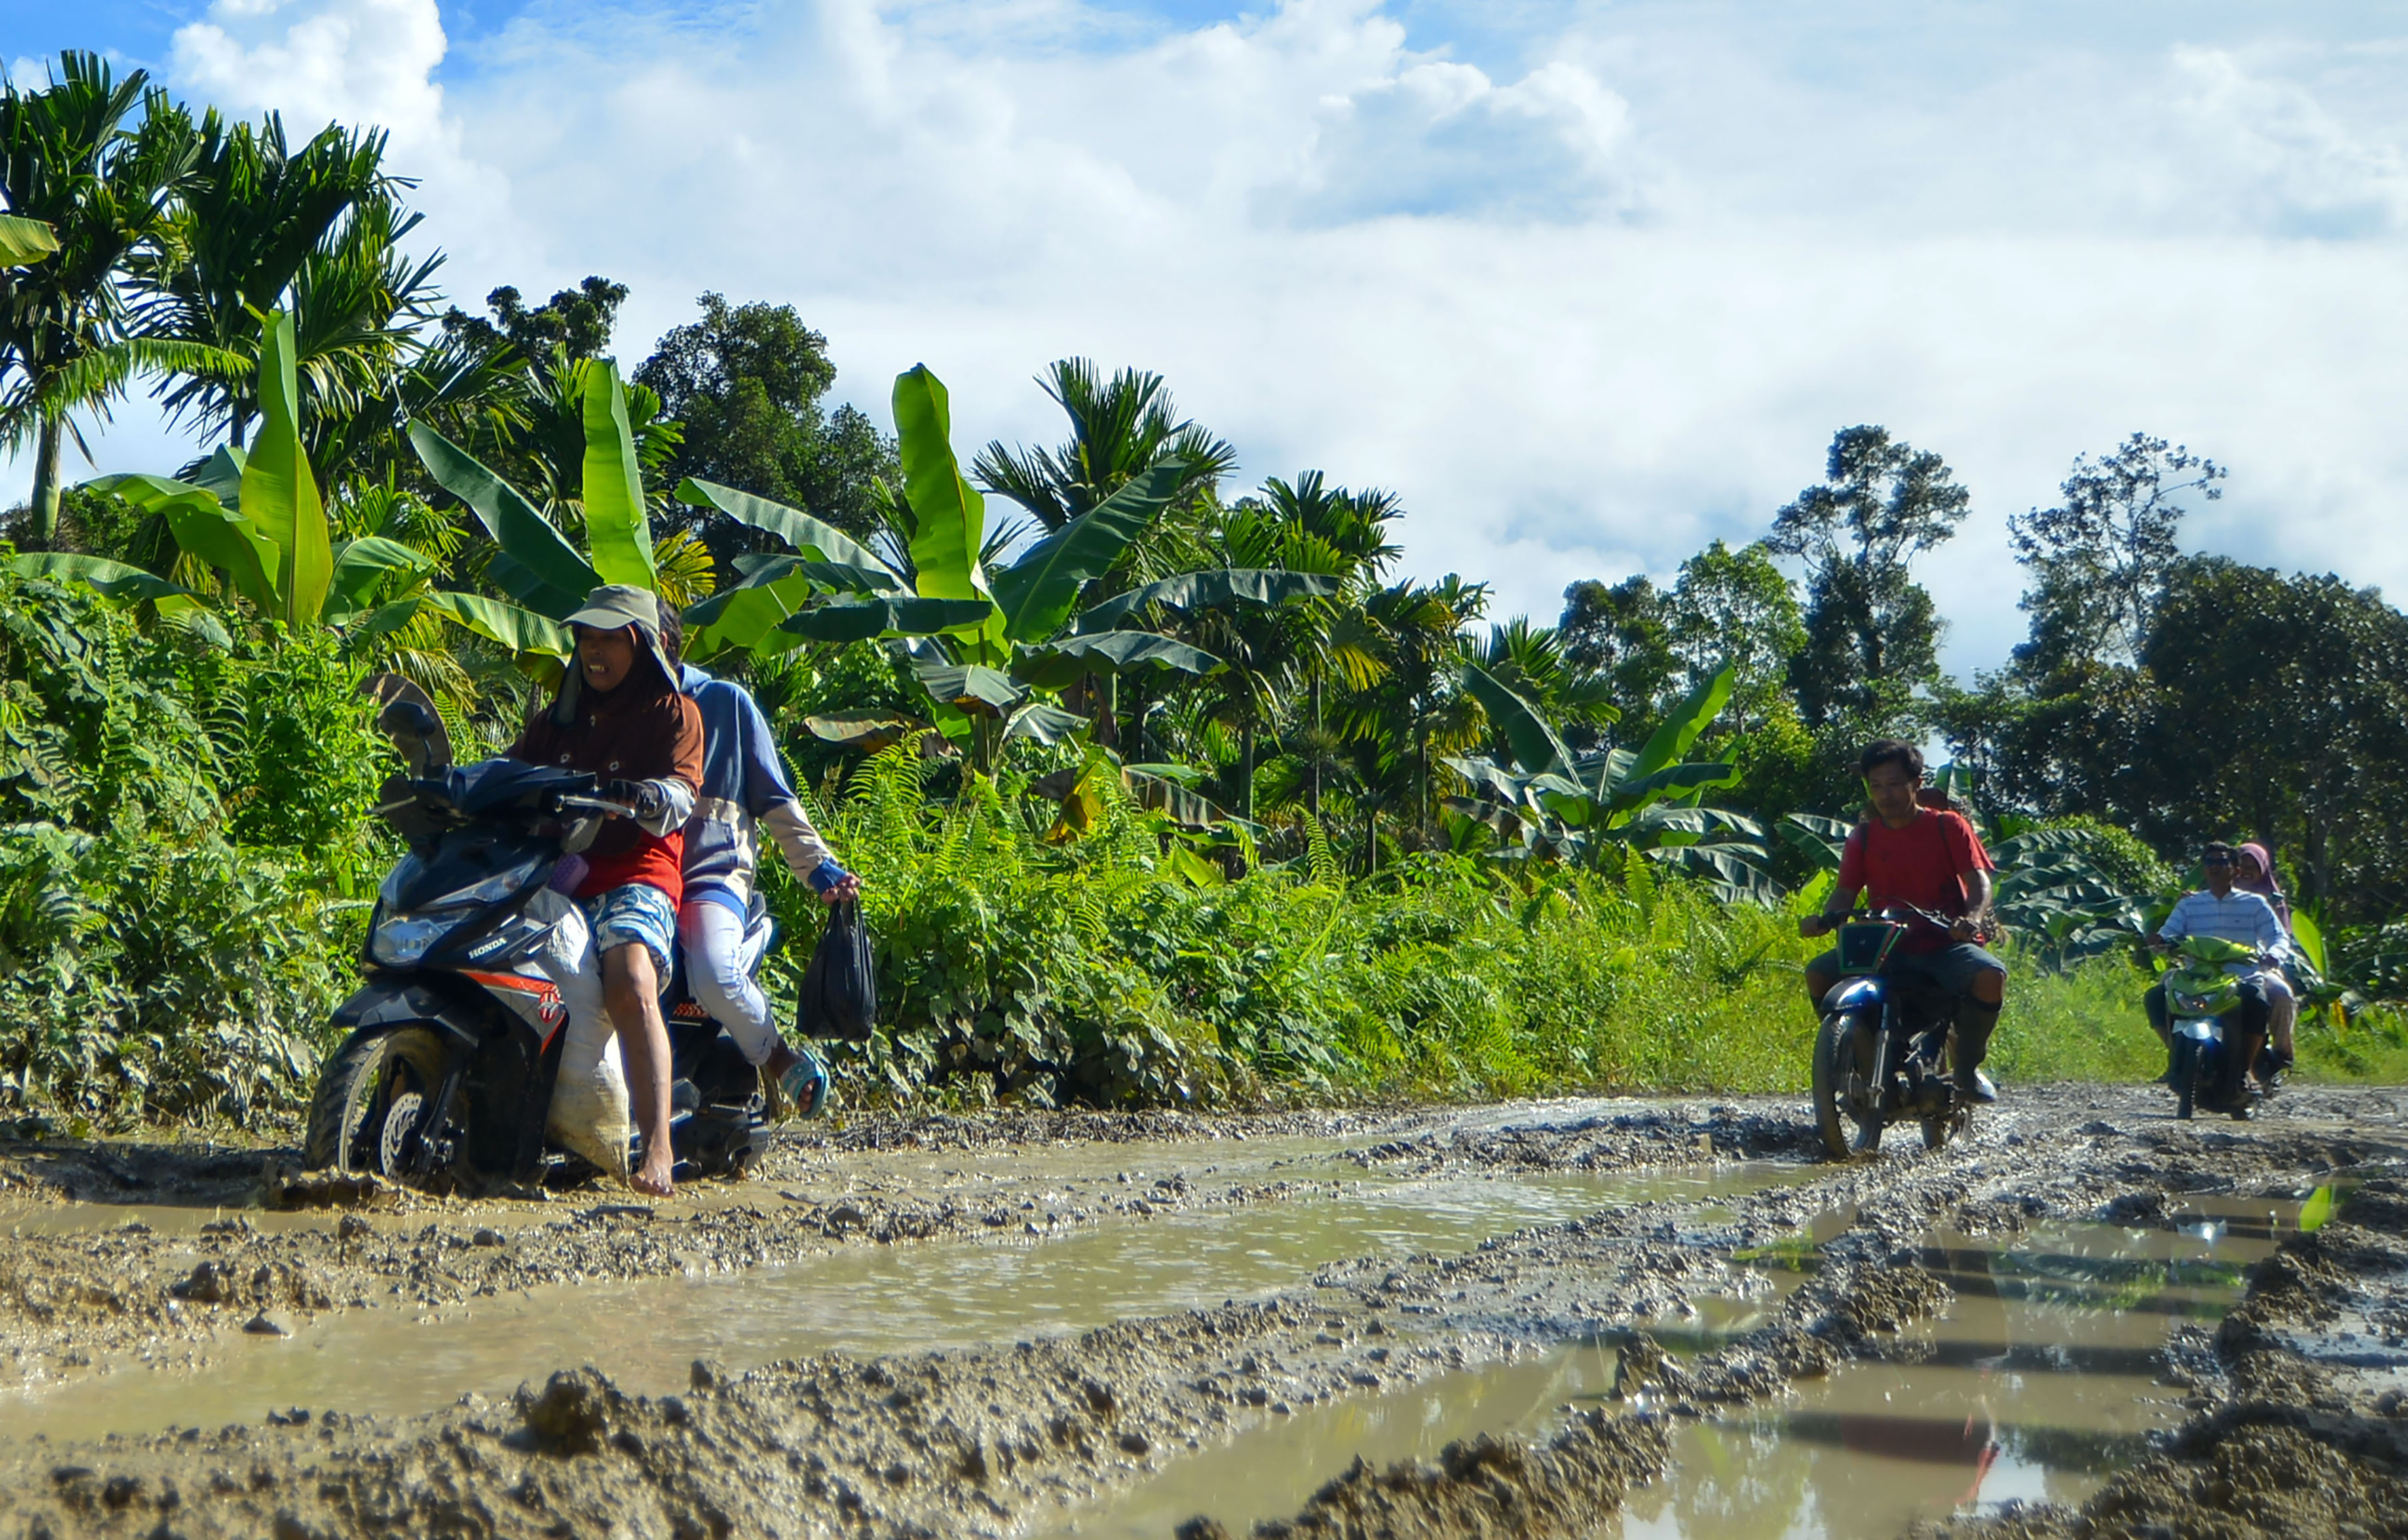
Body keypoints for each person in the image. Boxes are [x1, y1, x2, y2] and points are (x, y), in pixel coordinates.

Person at [509, 585, 703, 1198]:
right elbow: (509, 772)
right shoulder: (556, 721)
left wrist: (645, 795)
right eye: (587, 639)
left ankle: (658, 1149)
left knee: (629, 977)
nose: (594, 652)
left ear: (642, 646)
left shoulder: (674, 713)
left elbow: (682, 792)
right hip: (556, 871)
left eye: (610, 640)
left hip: (636, 871)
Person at [653, 607, 862, 1114]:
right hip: (636, 872)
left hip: (711, 872)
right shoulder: (607, 710)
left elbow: (775, 799)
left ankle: (779, 1058)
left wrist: (821, 868)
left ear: (660, 641)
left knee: (714, 973)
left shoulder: (725, 703)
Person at [1799, 740, 2006, 1104]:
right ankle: (1853, 1057)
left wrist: (1971, 918)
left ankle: (1966, 1068)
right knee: (1818, 972)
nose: (1885, 794)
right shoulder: (1864, 837)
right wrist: (1826, 919)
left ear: (1916, 783)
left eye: (1894, 784)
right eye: (1876, 786)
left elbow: (1979, 882)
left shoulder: (1948, 826)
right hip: (1884, 947)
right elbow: (1845, 891)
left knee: (1990, 976)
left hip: (1944, 943)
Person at [2144, 841, 2293, 1100]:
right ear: (2204, 869)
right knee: (2156, 997)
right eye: (2210, 862)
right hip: (2197, 975)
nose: (2215, 867)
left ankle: (2245, 1069)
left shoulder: (2255, 904)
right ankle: (2177, 1056)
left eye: (2222, 862)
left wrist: (2274, 954)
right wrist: (2160, 941)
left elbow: (2278, 937)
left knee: (2257, 1001)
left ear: (2235, 870)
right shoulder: (2190, 905)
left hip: (2241, 974)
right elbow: (2170, 932)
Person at [2233, 841, 2301, 1073]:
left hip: (2259, 966)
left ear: (2262, 870)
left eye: (2252, 867)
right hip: (2218, 964)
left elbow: (2280, 936)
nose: (2246, 872)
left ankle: (2282, 1053)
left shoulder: (2273, 901)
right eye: (2241, 866)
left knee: (2282, 995)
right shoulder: (2218, 894)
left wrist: (2272, 955)